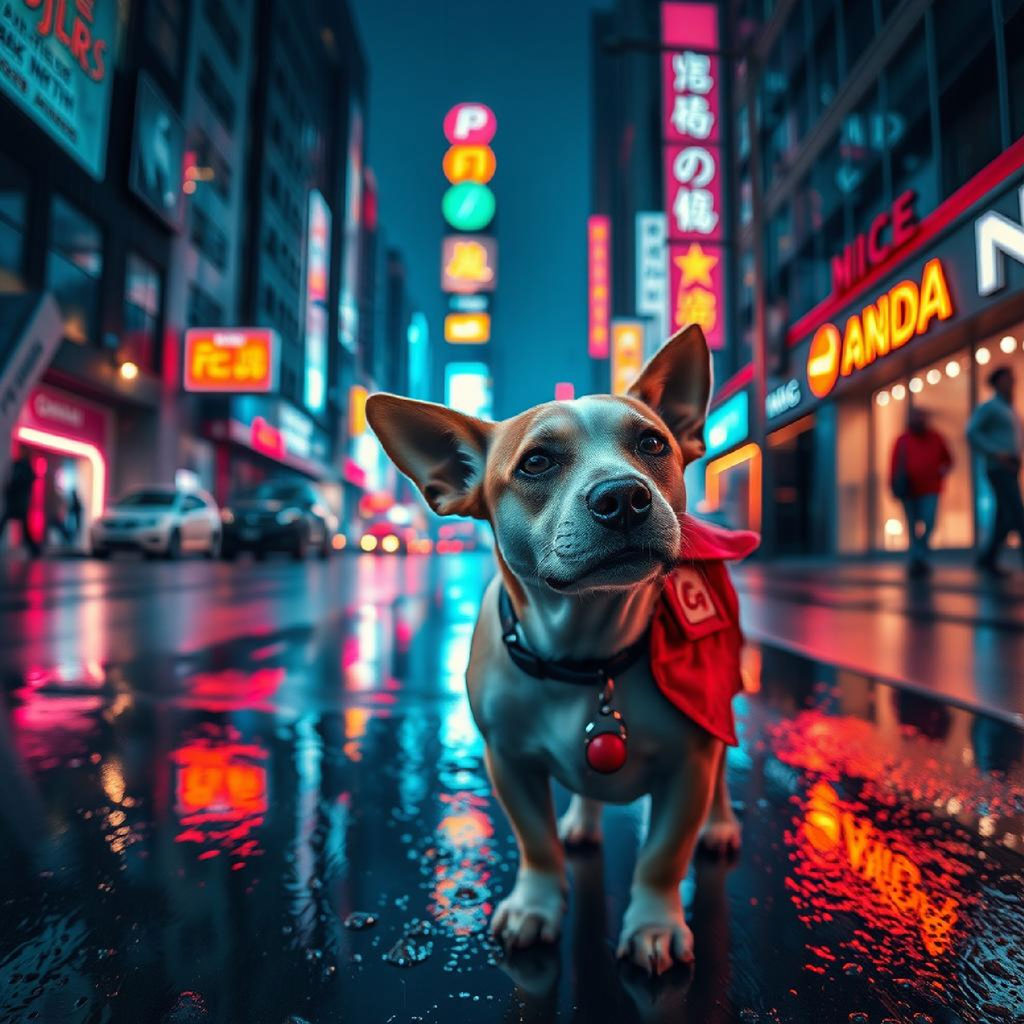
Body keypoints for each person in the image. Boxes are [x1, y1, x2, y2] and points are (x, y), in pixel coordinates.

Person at [967, 366, 1024, 576]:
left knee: (1004, 517)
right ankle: (988, 558)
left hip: (1011, 467)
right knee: (1017, 513)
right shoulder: (990, 407)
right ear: (997, 382)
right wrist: (995, 453)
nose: (1011, 382)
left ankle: (987, 558)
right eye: (1007, 379)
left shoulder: (1011, 408)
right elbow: (971, 432)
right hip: (998, 467)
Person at [890, 408, 952, 577]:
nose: (919, 420)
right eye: (915, 417)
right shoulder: (902, 440)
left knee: (929, 522)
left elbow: (948, 459)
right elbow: (894, 466)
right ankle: (916, 558)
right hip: (909, 490)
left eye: (921, 416)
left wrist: (941, 471)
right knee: (912, 525)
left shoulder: (936, 437)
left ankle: (920, 555)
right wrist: (893, 486)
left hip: (931, 488)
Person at [0, 452, 41, 557]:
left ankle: (34, 550)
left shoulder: (24, 467)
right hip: (16, 501)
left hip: (19, 501)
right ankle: (34, 550)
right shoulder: (19, 466)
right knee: (17, 525)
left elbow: (29, 480)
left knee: (22, 527)